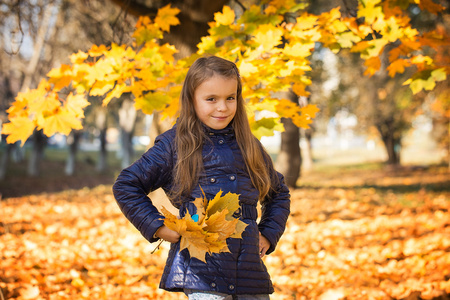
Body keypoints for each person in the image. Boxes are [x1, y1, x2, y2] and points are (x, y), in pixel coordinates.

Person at [113, 55, 290, 299]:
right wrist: (157, 226)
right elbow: (126, 185)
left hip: (249, 270)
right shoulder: (174, 145)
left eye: (230, 98)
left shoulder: (250, 146)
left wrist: (268, 234)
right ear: (192, 100)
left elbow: (278, 193)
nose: (223, 107)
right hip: (201, 267)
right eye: (211, 99)